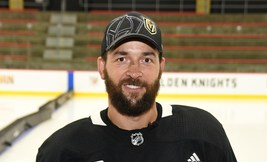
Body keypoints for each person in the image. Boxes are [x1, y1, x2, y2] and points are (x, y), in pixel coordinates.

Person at [36, 11, 237, 162]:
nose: (134, 72)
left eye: (146, 60)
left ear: (161, 67)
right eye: (122, 58)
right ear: (102, 67)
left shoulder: (203, 132)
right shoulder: (62, 151)